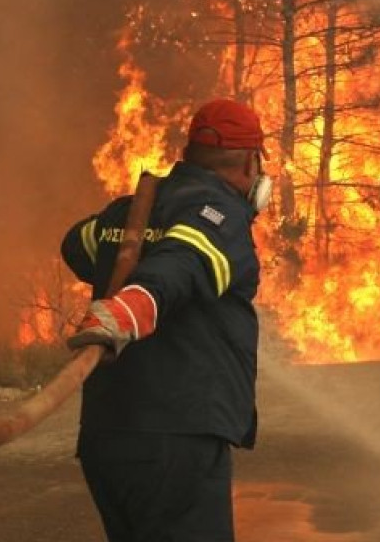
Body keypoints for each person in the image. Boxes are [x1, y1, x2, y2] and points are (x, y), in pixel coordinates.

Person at [60, 98, 270, 542]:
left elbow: (76, 245)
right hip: (177, 437)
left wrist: (126, 261)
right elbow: (182, 263)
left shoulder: (128, 210)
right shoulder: (221, 213)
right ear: (251, 163)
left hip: (107, 438)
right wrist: (134, 305)